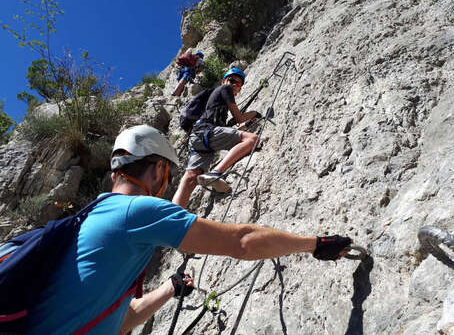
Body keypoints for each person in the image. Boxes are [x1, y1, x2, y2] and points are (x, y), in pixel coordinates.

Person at [25, 125, 352, 334]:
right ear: (157, 168)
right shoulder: (136, 210)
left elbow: (120, 321)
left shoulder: (90, 217)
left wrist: (169, 288)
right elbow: (242, 242)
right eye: (166, 174)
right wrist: (316, 244)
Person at [172, 67, 261, 208]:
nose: (234, 84)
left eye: (238, 84)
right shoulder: (225, 89)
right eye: (231, 80)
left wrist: (249, 123)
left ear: (240, 89)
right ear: (224, 81)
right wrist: (255, 113)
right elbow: (238, 118)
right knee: (252, 139)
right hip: (207, 133)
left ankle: (171, 216)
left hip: (197, 137)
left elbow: (229, 132)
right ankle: (216, 173)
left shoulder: (217, 103)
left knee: (190, 178)